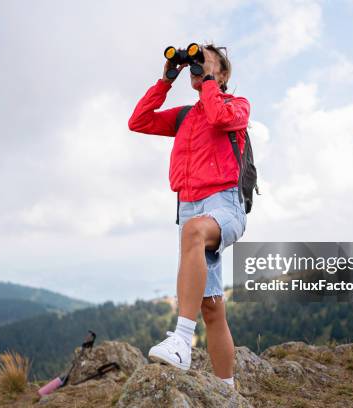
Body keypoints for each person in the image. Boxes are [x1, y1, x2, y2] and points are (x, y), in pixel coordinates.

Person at [127, 43, 249, 388]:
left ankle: (181, 339)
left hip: (225, 204)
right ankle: (227, 390)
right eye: (195, 64)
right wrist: (166, 81)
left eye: (205, 62)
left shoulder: (236, 105)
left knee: (195, 231)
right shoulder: (184, 116)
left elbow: (221, 118)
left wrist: (208, 81)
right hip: (189, 207)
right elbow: (139, 121)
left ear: (222, 74)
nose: (197, 68)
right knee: (212, 308)